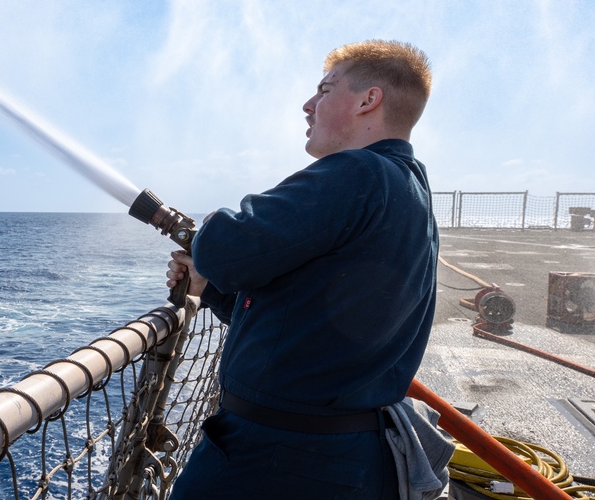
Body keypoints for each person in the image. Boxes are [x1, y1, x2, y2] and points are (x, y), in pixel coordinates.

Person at [166, 40, 438, 499]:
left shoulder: (357, 172)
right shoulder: (409, 189)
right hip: (343, 457)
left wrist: (206, 234)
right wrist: (210, 287)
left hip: (277, 457)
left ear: (369, 100)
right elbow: (319, 319)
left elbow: (229, 248)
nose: (308, 105)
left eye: (324, 90)